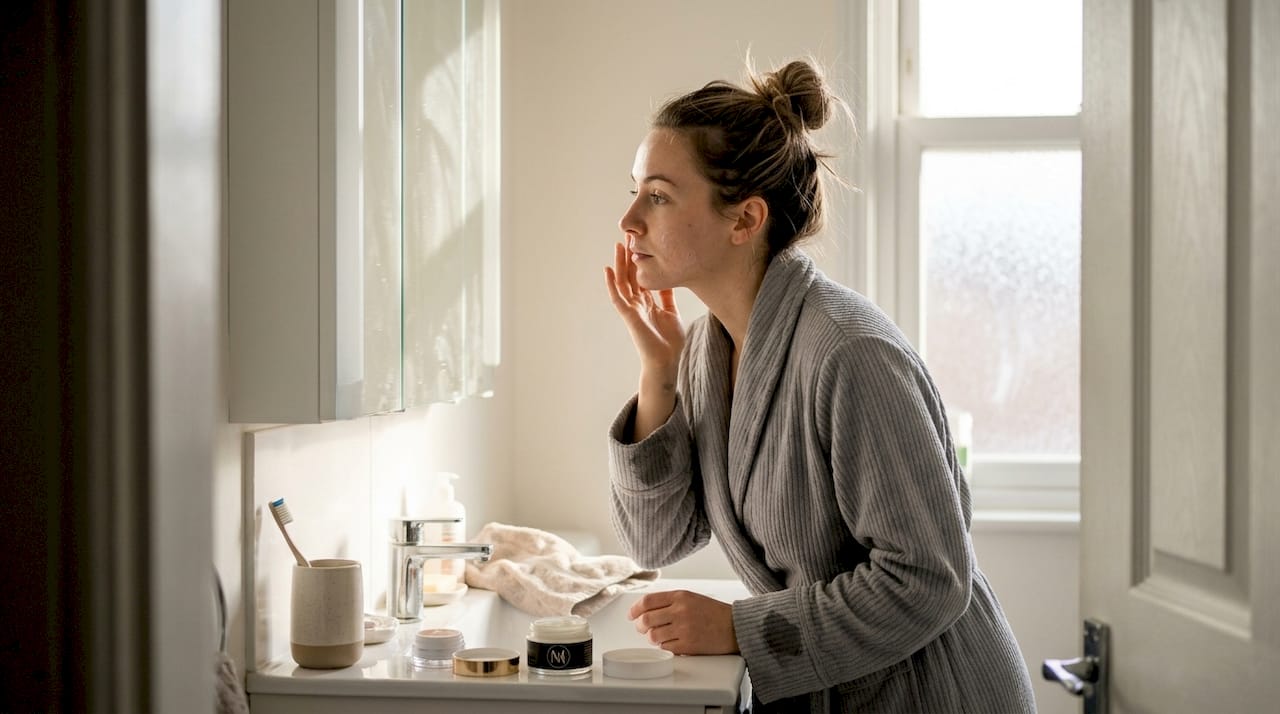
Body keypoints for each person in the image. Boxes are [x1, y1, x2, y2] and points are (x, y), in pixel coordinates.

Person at [602, 58, 1037, 712]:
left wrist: (739, 629)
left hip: (933, 694)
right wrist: (658, 375)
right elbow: (656, 542)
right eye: (635, 191)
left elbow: (930, 578)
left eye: (658, 196)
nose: (629, 220)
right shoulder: (707, 352)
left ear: (744, 220)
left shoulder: (850, 353)